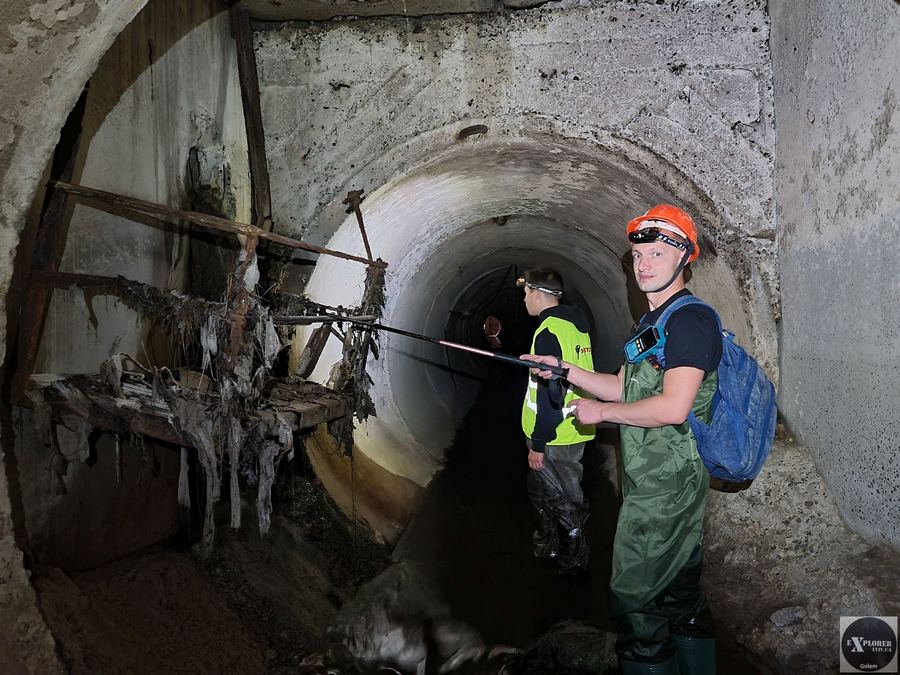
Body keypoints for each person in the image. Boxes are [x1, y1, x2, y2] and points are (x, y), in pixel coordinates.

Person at [524, 205, 721, 674]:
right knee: (679, 592)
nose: (644, 265)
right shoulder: (651, 323)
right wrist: (565, 370)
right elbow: (622, 385)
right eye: (638, 255)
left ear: (684, 258)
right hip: (650, 476)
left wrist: (602, 414)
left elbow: (673, 407)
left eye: (657, 254)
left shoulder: (690, 322)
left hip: (668, 484)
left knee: (635, 597)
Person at [518, 268, 596, 575]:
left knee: (559, 495)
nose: (524, 300)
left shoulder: (548, 332)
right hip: (575, 425)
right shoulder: (576, 325)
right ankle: (549, 541)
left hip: (554, 432)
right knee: (547, 488)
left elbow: (550, 393)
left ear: (538, 293)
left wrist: (538, 443)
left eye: (526, 293)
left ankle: (573, 554)